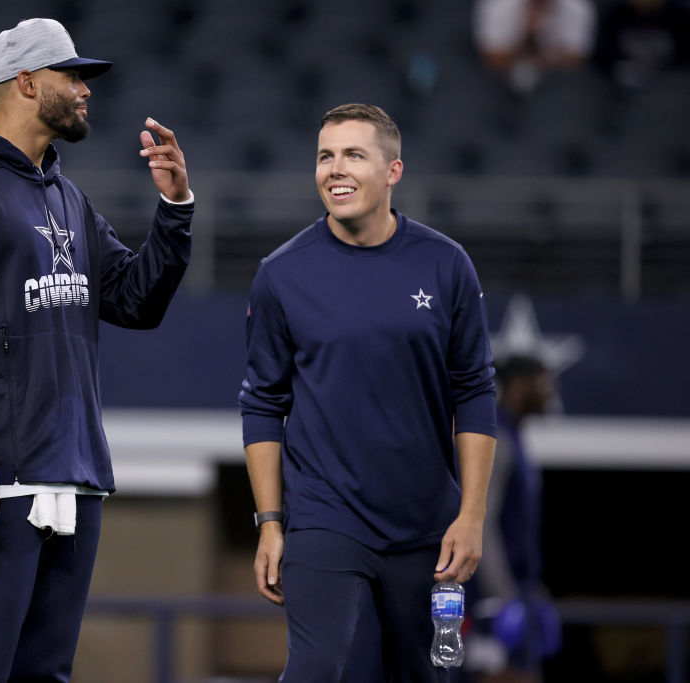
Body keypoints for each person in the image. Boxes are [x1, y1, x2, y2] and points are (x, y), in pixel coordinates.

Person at [0, 18, 193, 682]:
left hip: (72, 471)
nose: (85, 89)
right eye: (72, 74)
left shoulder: (68, 198)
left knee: (44, 674)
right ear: (26, 82)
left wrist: (174, 209)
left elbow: (136, 301)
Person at [238, 103, 497, 682]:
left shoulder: (446, 264)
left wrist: (472, 515)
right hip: (324, 521)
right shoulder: (281, 274)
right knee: (318, 672)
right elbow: (261, 403)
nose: (336, 169)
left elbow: (475, 391)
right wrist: (271, 523)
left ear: (393, 171)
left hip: (428, 531)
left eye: (354, 154)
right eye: (325, 156)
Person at [468, 355, 560, 682]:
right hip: (494, 602)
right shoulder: (498, 441)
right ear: (519, 386)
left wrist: (532, 593)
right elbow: (483, 524)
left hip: (517, 593)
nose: (551, 392)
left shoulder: (515, 438)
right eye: (543, 382)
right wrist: (504, 598)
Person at [473, 0, 597, 93]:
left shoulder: (577, 7)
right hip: (500, 83)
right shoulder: (498, 5)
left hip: (556, 85)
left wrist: (545, 35)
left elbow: (576, 62)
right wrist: (526, 32)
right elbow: (494, 61)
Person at [593, 0, 690, 90]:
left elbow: (684, 61)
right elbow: (601, 62)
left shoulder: (679, 15)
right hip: (621, 89)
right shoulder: (614, 14)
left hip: (671, 88)